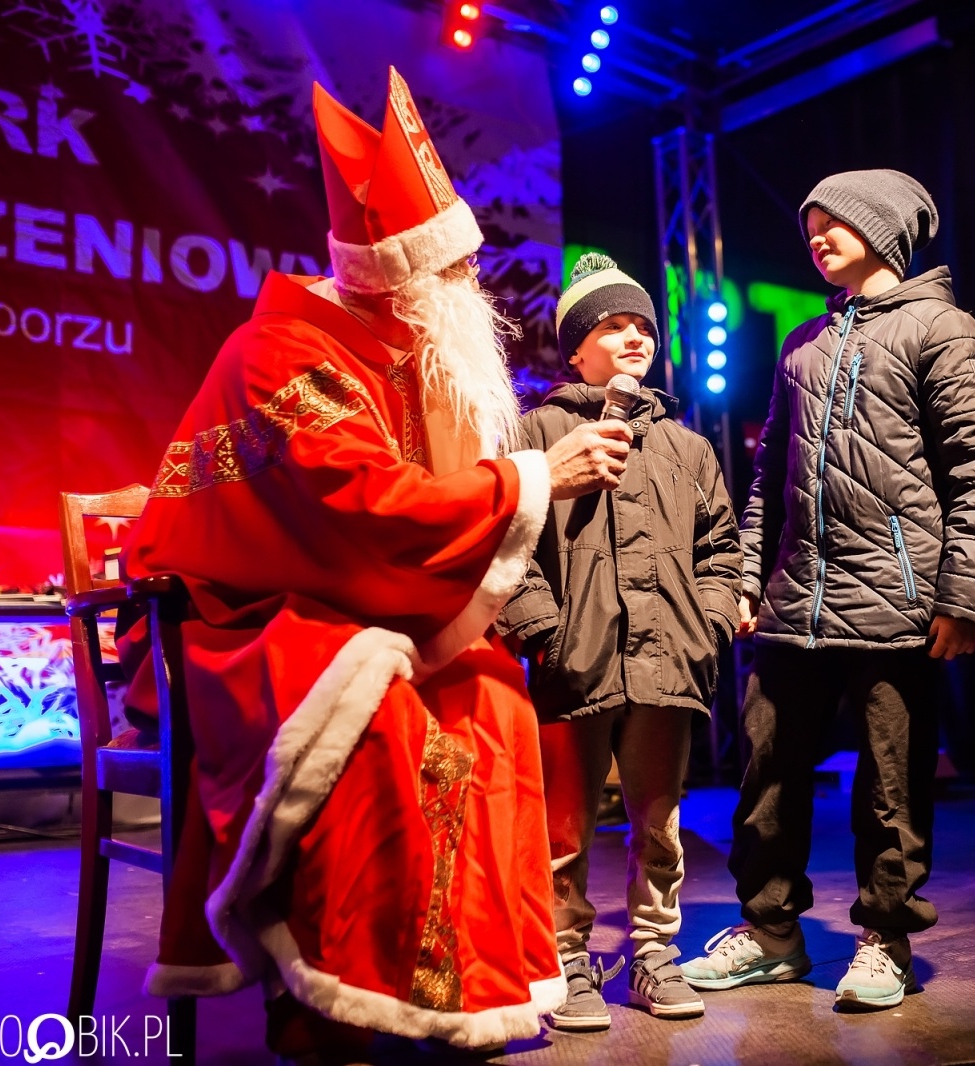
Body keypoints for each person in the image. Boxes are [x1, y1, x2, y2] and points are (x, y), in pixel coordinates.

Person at [117, 68, 635, 1060]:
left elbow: (395, 525)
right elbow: (355, 507)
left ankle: (444, 990)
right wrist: (531, 479)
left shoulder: (397, 352)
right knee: (382, 716)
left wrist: (508, 492)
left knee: (492, 690)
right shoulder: (286, 351)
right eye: (449, 275)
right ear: (396, 272)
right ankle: (325, 1006)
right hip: (248, 620)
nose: (466, 293)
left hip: (339, 598)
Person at [681, 170, 975, 1010]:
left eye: (835, 222)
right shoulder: (802, 343)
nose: (817, 235)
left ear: (884, 228)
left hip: (898, 603)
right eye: (811, 225)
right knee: (767, 776)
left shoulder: (940, 328)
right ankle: (768, 935)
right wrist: (749, 580)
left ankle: (885, 940)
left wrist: (965, 597)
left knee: (891, 786)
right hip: (796, 603)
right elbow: (768, 480)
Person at [495, 253, 743, 1031]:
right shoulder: (537, 431)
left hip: (669, 665)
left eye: (642, 324)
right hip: (574, 667)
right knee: (563, 828)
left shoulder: (689, 448)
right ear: (575, 348)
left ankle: (652, 954)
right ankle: (566, 958)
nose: (634, 335)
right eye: (612, 324)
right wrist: (545, 631)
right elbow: (511, 543)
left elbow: (722, 552)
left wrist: (704, 625)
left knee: (659, 822)